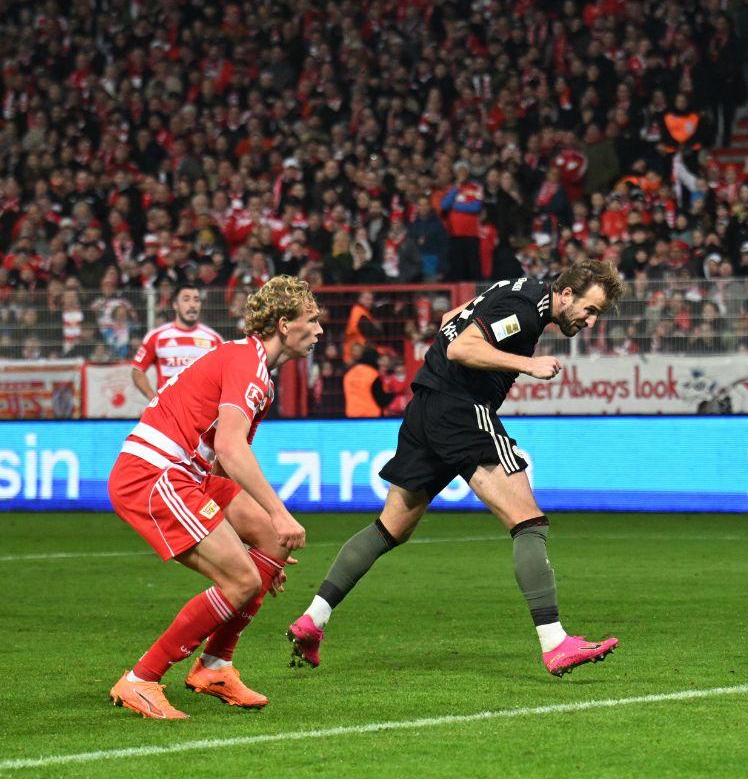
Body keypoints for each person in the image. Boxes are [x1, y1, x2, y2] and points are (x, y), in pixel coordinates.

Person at [289, 260, 626, 677]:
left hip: (425, 407)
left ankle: (312, 620)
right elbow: (461, 347)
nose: (590, 322)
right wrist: (528, 365)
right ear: (567, 294)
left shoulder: (516, 286)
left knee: (390, 527)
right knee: (529, 523)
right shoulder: (525, 311)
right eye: (589, 310)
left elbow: (451, 320)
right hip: (461, 410)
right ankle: (555, 643)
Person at [107, 276, 322, 719]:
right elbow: (230, 446)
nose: (319, 330)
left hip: (189, 472)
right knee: (242, 578)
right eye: (312, 320)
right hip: (154, 474)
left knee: (271, 545)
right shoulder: (248, 366)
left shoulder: (253, 366)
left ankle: (215, 666)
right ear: (284, 324)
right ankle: (141, 679)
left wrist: (266, 552)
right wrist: (278, 513)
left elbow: (222, 460)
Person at [131, 283, 224, 400]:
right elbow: (137, 371)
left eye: (196, 300)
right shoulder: (157, 336)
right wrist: (153, 398)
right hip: (168, 413)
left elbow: (225, 376)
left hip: (202, 413)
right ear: (175, 305)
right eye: (186, 300)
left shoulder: (214, 339)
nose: (192, 305)